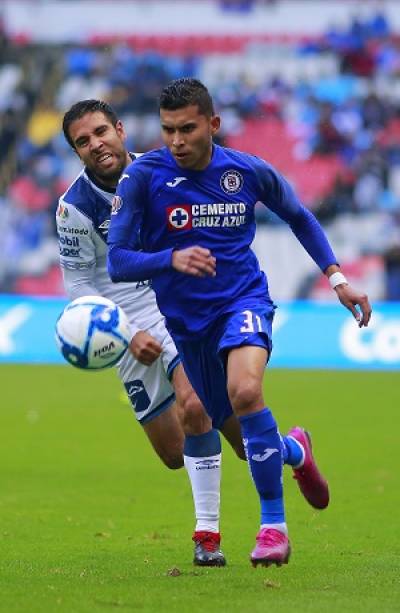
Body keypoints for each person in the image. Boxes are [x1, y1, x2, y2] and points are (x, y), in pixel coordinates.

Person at [107, 78, 372, 568]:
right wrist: (171, 259)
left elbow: (299, 216)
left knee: (247, 393)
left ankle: (273, 528)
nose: (177, 141)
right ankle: (295, 450)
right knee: (251, 446)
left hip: (243, 300)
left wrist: (338, 279)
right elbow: (118, 260)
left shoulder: (247, 172)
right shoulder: (143, 177)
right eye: (168, 130)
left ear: (213, 124)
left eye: (187, 129)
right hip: (187, 327)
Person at [57, 99, 248, 567]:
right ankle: (286, 446)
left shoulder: (163, 171)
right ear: (77, 152)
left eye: (101, 132)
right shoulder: (72, 209)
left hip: (173, 304)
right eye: (83, 141)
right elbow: (80, 285)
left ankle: (207, 537)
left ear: (120, 131)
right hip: (123, 322)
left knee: (200, 407)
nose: (95, 144)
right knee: (174, 451)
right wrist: (122, 333)